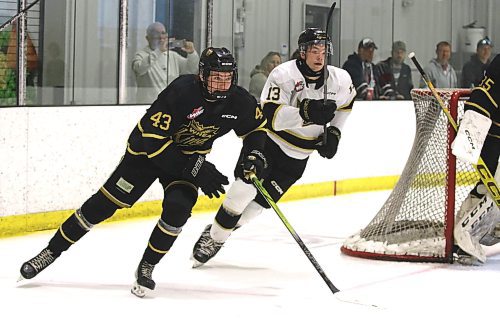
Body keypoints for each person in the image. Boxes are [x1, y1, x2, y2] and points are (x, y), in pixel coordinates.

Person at [19, 47, 268, 298]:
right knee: (102, 206)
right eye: (216, 77)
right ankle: (49, 252)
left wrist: (254, 156)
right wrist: (197, 167)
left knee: (178, 209)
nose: (222, 84)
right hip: (146, 155)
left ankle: (147, 266)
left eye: (227, 78)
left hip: (187, 160)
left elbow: (256, 129)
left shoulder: (240, 101)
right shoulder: (182, 91)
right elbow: (153, 141)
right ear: (202, 75)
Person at [190, 28, 356, 267]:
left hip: (297, 159)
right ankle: (215, 238)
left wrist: (335, 133)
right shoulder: (283, 75)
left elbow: (347, 104)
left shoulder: (339, 80)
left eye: (323, 52)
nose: (319, 57)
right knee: (242, 193)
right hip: (268, 144)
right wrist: (306, 112)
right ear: (302, 52)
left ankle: (218, 228)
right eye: (313, 51)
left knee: (254, 210)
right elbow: (271, 116)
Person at [452, 54, 500, 265]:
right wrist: (471, 126)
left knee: (485, 186)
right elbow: (482, 96)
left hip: (492, 128)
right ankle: (466, 232)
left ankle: (469, 232)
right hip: (488, 127)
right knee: (493, 185)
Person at [132, 22, 199, 103]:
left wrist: (191, 53)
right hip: (148, 105)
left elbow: (191, 70)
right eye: (156, 34)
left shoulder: (173, 55)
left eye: (163, 33)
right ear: (147, 38)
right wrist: (159, 51)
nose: (161, 37)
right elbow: (139, 69)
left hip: (170, 104)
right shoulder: (141, 55)